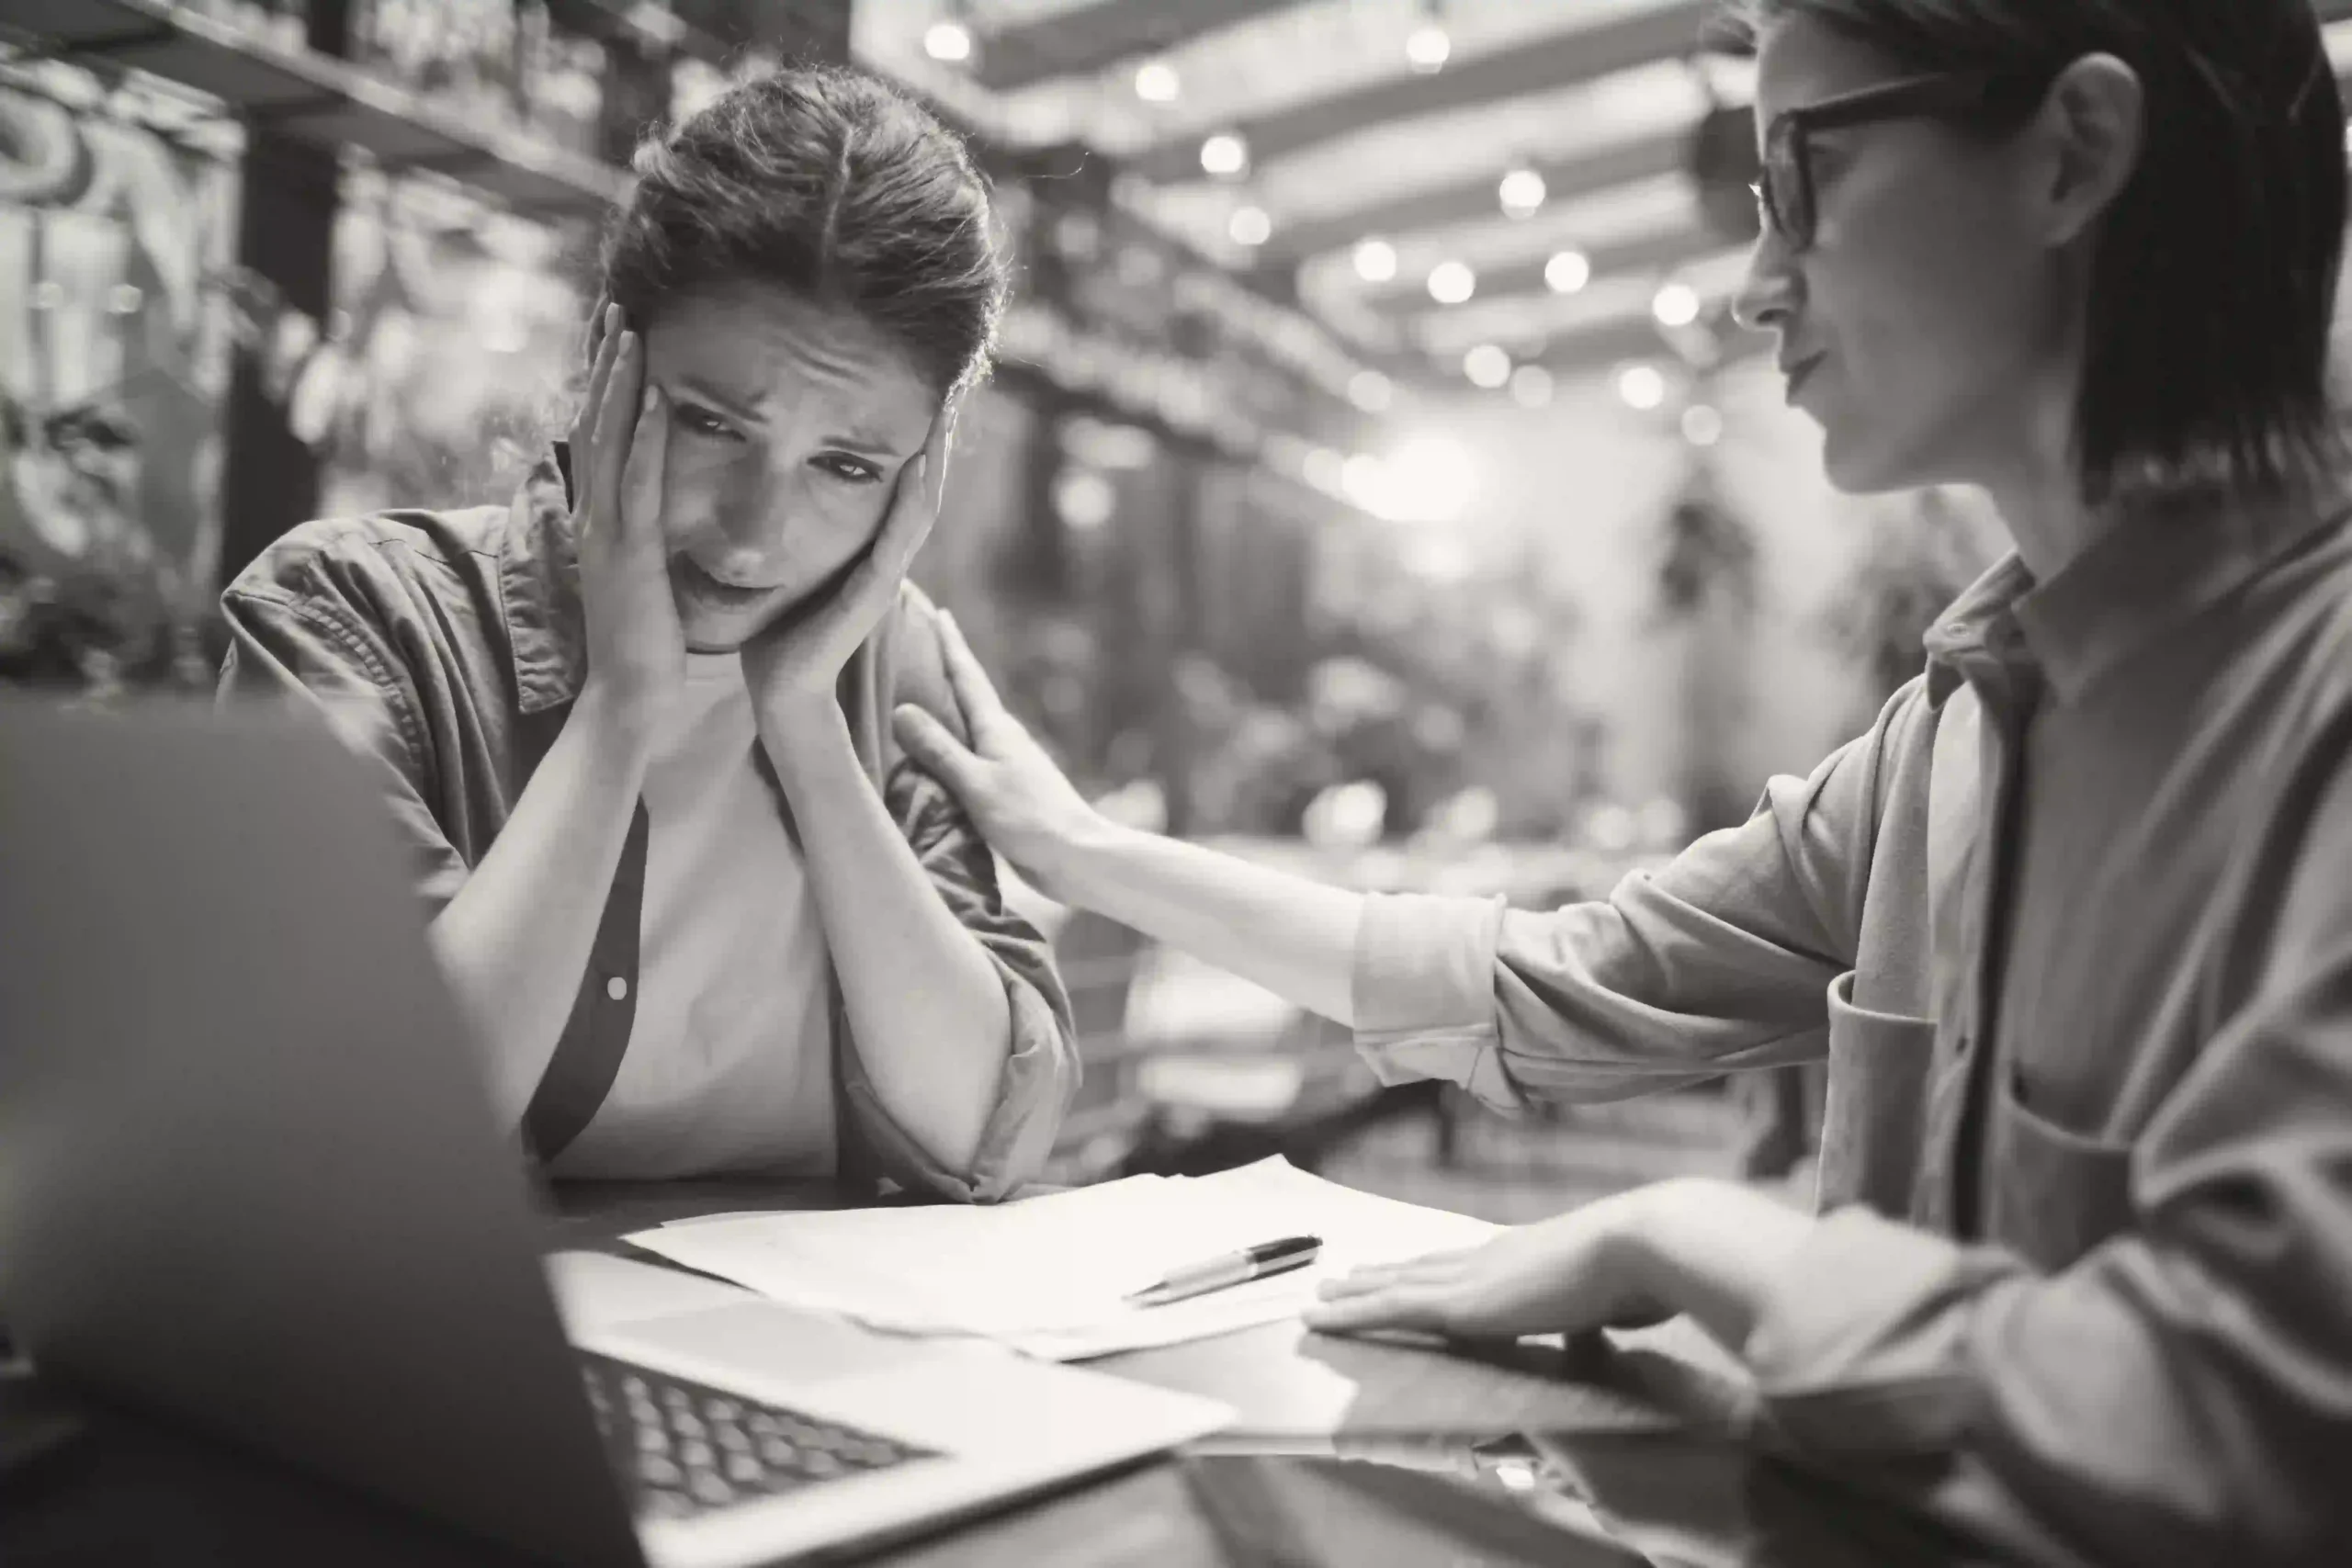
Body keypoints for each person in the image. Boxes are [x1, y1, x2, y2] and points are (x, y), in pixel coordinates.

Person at [896, 0, 2352, 1557]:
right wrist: (1082, 850)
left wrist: (1701, 1236)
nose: (1751, 285)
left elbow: (2245, 1424)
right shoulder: (1961, 728)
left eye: (1799, 177)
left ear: (2073, 154)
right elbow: (1554, 980)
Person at [218, 67, 1074, 1201]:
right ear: (603, 357)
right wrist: (623, 708)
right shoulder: (351, 618)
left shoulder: (893, 667)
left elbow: (986, 1134)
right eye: (716, 426)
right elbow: (382, 1136)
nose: (757, 536)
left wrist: (808, 729)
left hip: (800, 1365)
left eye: (847, 465)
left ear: (924, 471)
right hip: (457, 1360)